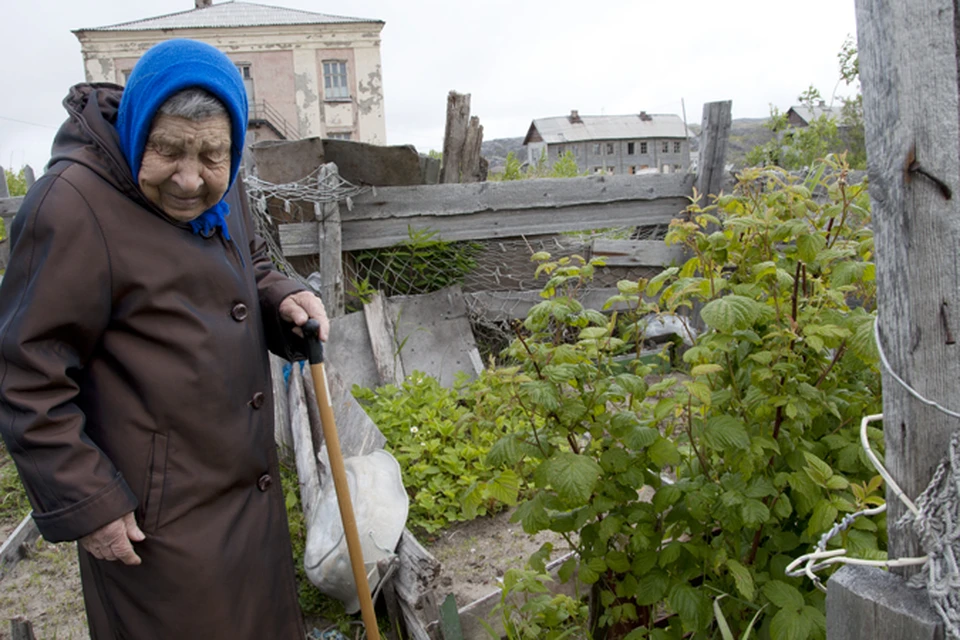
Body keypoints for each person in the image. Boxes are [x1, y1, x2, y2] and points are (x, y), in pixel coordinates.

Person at [0, 39, 329, 638]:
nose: (189, 178)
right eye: (168, 150)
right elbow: (25, 375)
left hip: (241, 493)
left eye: (211, 155)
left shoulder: (221, 182)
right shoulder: (72, 206)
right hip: (157, 521)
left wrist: (279, 296)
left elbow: (244, 262)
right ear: (137, 126)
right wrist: (91, 502)